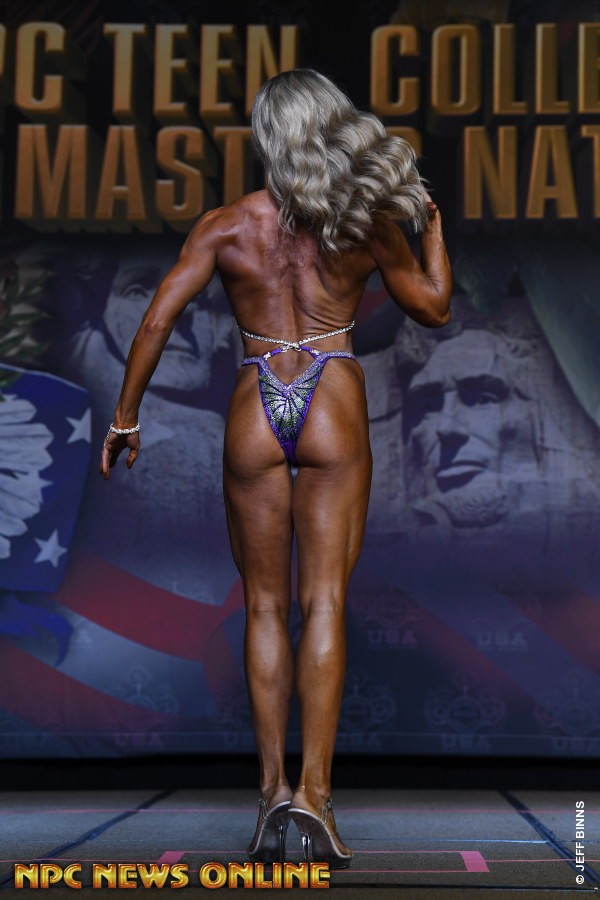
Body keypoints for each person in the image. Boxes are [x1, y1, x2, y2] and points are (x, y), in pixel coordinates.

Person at [99, 69, 452, 867]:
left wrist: (125, 417)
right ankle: (315, 799)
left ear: (266, 137)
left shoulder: (227, 225)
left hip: (255, 399)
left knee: (263, 606)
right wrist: (432, 228)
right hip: (331, 393)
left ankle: (270, 797)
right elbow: (433, 306)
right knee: (323, 601)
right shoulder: (363, 224)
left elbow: (156, 320)